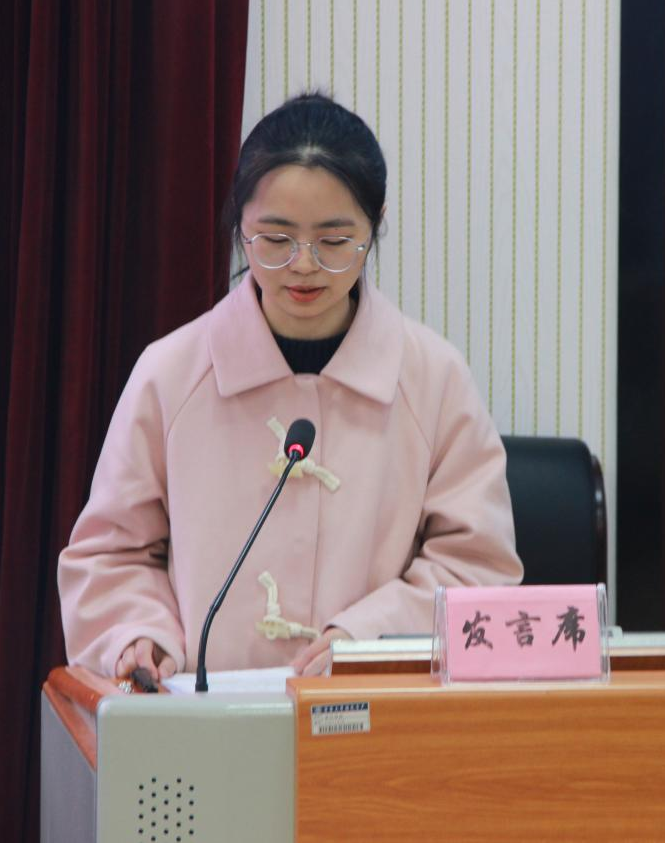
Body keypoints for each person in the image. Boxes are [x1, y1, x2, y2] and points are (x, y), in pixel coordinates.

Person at [58, 93, 522, 682]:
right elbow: (112, 555)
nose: (304, 265)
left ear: (375, 225)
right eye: (275, 240)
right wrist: (138, 634)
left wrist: (366, 640)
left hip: (372, 709)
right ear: (240, 225)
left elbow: (477, 568)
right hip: (207, 714)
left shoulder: (434, 379)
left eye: (334, 241)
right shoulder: (171, 374)